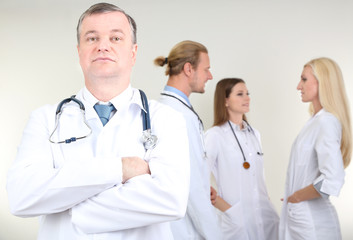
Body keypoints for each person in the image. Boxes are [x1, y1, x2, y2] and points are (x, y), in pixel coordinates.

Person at [6, 3, 190, 240]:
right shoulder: (45, 120)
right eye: (92, 38)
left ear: (133, 52)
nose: (103, 46)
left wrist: (70, 204)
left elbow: (171, 200)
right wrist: (121, 168)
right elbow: (22, 197)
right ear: (79, 51)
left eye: (115, 38)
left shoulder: (165, 119)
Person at [155, 40, 223, 239]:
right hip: (184, 228)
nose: (210, 76)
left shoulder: (167, 108)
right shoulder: (180, 116)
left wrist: (202, 183)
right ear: (188, 69)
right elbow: (190, 186)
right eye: (206, 69)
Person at [279, 57, 352, 240]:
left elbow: (332, 179)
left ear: (322, 83)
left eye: (304, 79)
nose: (298, 86)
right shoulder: (315, 121)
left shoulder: (326, 122)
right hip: (301, 219)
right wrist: (292, 196)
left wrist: (297, 196)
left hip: (314, 225)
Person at [205, 78, 279, 240]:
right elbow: (200, 179)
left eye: (247, 94)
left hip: (266, 217)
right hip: (236, 222)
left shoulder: (254, 134)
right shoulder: (215, 136)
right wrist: (231, 211)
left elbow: (259, 179)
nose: (247, 98)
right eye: (240, 94)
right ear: (225, 101)